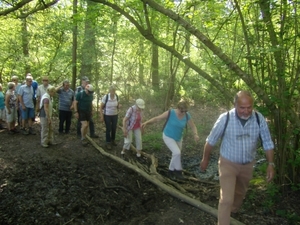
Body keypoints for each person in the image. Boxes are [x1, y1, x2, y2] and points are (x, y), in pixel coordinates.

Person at [200, 90, 275, 225]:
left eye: (249, 107)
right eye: (242, 108)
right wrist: (205, 159)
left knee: (240, 194)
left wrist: (270, 164)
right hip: (228, 163)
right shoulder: (225, 118)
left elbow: (267, 142)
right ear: (235, 105)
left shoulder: (259, 118)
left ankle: (233, 211)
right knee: (226, 199)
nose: (246, 111)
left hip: (247, 164)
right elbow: (211, 140)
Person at [142, 100, 199, 179]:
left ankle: (170, 171)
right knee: (177, 152)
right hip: (168, 136)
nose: (183, 113)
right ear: (177, 108)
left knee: (175, 154)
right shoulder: (170, 113)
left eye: (185, 111)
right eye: (181, 111)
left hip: (178, 138)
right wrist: (146, 123)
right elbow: (157, 119)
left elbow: (193, 126)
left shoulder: (187, 115)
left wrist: (195, 134)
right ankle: (178, 172)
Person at [100, 85, 119, 149]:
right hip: (107, 115)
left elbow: (118, 105)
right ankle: (108, 142)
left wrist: (119, 106)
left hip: (115, 115)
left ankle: (113, 140)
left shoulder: (116, 96)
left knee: (114, 128)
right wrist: (101, 116)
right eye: (111, 90)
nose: (112, 92)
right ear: (109, 91)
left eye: (114, 90)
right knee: (108, 129)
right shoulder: (106, 97)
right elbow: (101, 107)